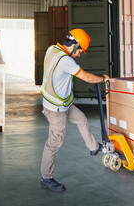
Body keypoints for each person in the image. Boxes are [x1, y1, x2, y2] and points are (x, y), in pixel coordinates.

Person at [39, 28, 109, 192]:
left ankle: (93, 147)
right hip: (56, 109)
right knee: (54, 143)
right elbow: (88, 78)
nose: (79, 55)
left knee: (81, 118)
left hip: (61, 104)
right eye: (80, 51)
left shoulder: (52, 49)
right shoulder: (66, 61)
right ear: (74, 45)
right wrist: (104, 79)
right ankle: (46, 178)